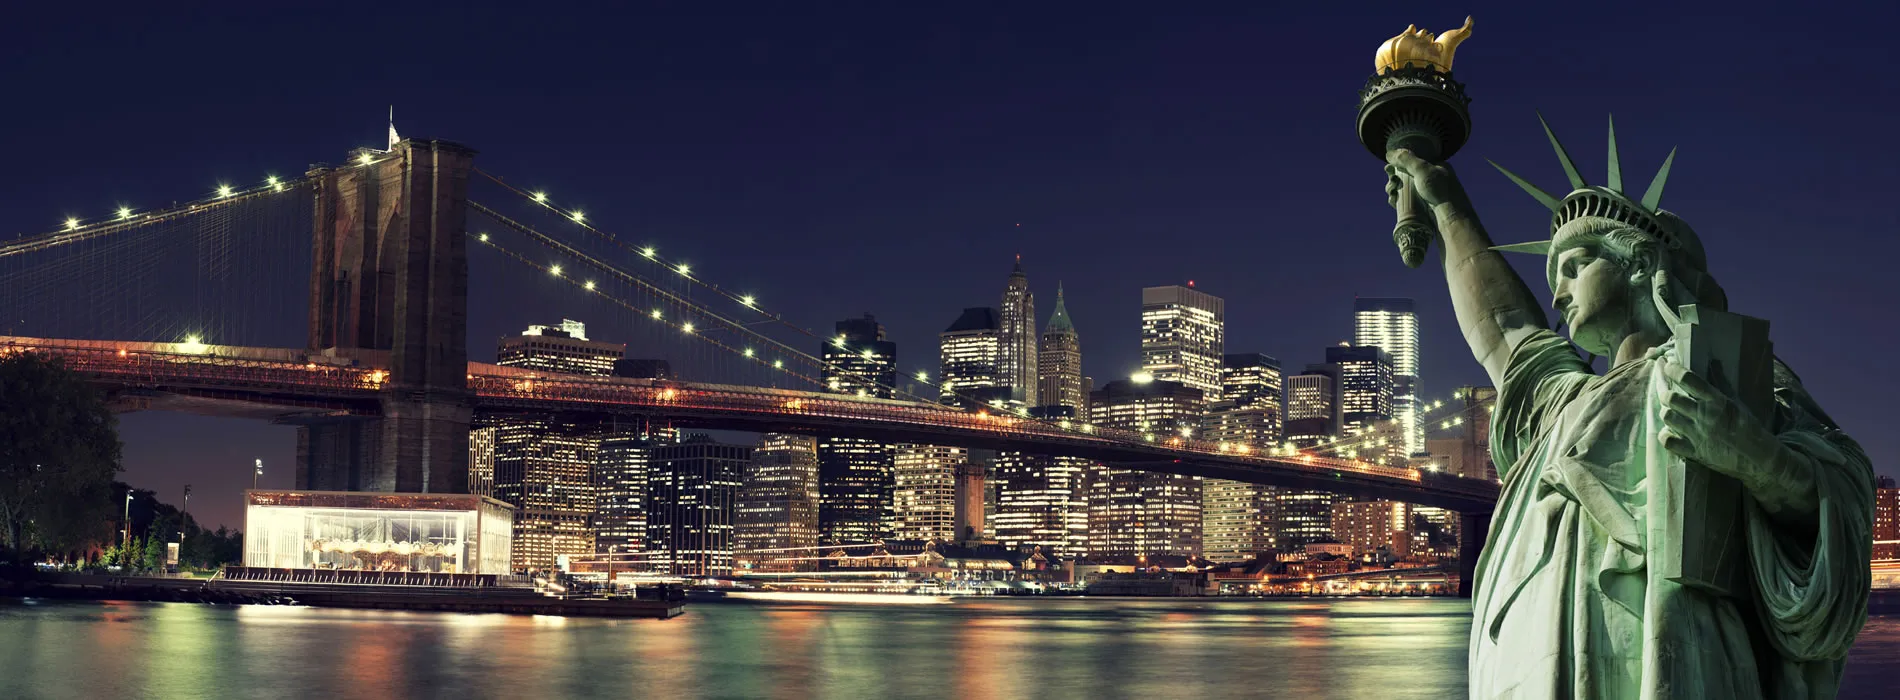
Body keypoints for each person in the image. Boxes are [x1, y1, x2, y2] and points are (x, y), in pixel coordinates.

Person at [1381, 120, 1873, 698]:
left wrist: (1756, 457)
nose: (1558, 295)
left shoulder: (1713, 372)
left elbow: (1843, 485)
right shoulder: (1564, 399)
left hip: (1677, 658)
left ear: (1638, 262)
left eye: (1574, 266)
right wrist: (1446, 205)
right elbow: (1506, 328)